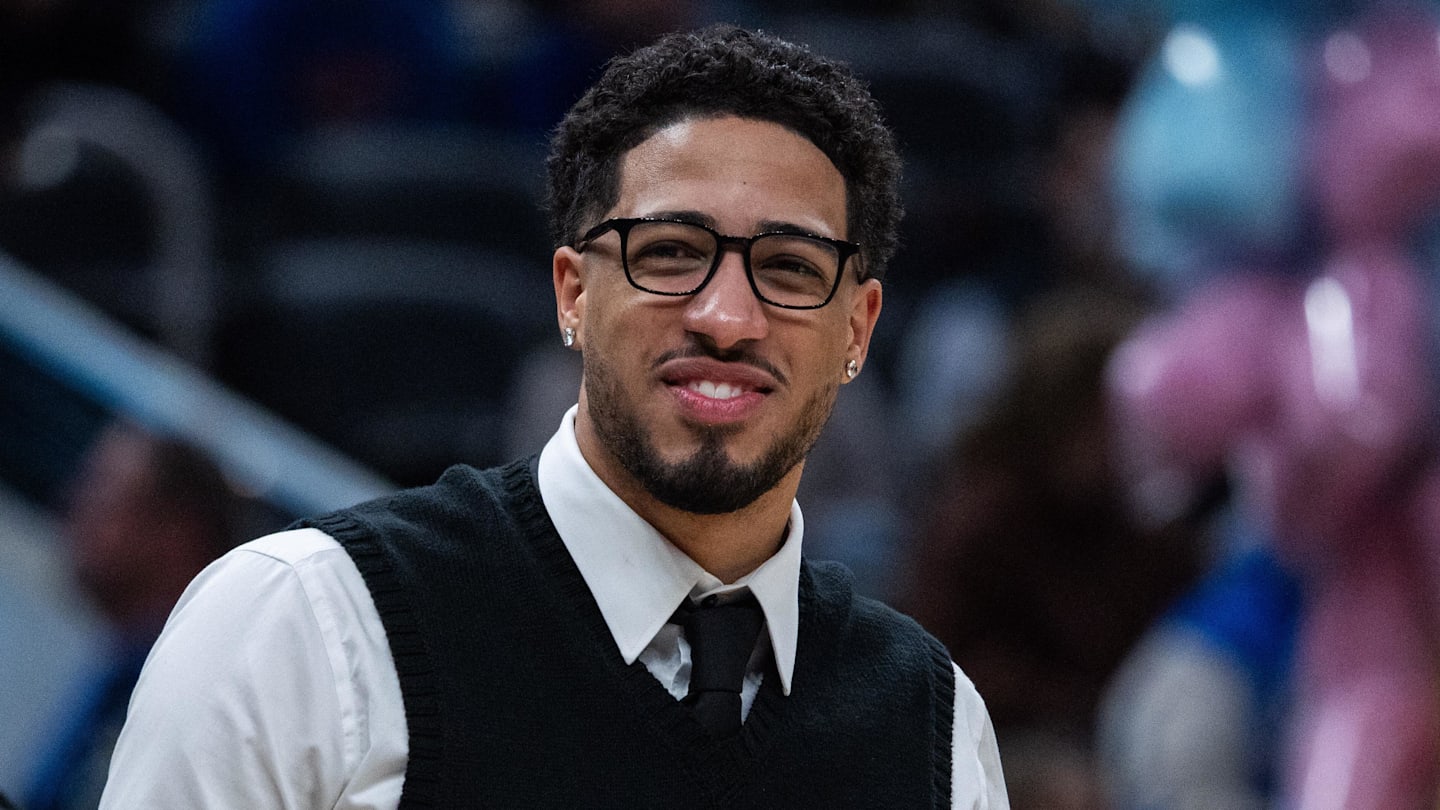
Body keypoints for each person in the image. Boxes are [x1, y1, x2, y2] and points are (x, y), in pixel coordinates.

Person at [100, 25, 1008, 808]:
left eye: (790, 269)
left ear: (858, 328)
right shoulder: (304, 622)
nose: (727, 317)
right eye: (670, 251)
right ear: (571, 294)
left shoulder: (935, 725)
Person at [25, 422, 238, 810]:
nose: (74, 502)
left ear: (178, 535)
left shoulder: (186, 694)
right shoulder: (130, 668)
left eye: (104, 491)